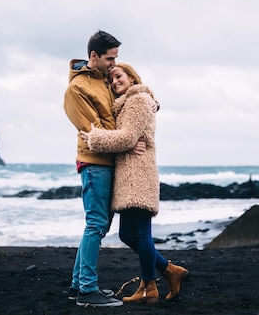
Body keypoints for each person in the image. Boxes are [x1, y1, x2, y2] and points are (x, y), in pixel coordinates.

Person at [80, 63, 190, 304]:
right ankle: (170, 271)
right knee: (129, 234)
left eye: (118, 76)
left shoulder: (138, 100)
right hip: (130, 177)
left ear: (131, 77)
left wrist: (94, 138)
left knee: (139, 234)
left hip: (138, 176)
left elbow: (128, 136)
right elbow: (130, 137)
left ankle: (149, 286)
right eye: (111, 80)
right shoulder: (131, 103)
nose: (114, 82)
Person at [63, 30, 135, 307]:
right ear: (93, 56)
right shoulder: (76, 89)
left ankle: (77, 285)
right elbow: (93, 133)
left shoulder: (105, 79)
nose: (114, 63)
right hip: (94, 163)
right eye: (109, 58)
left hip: (107, 162)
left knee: (99, 225)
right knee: (95, 224)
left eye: (116, 57)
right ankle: (87, 290)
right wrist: (129, 143)